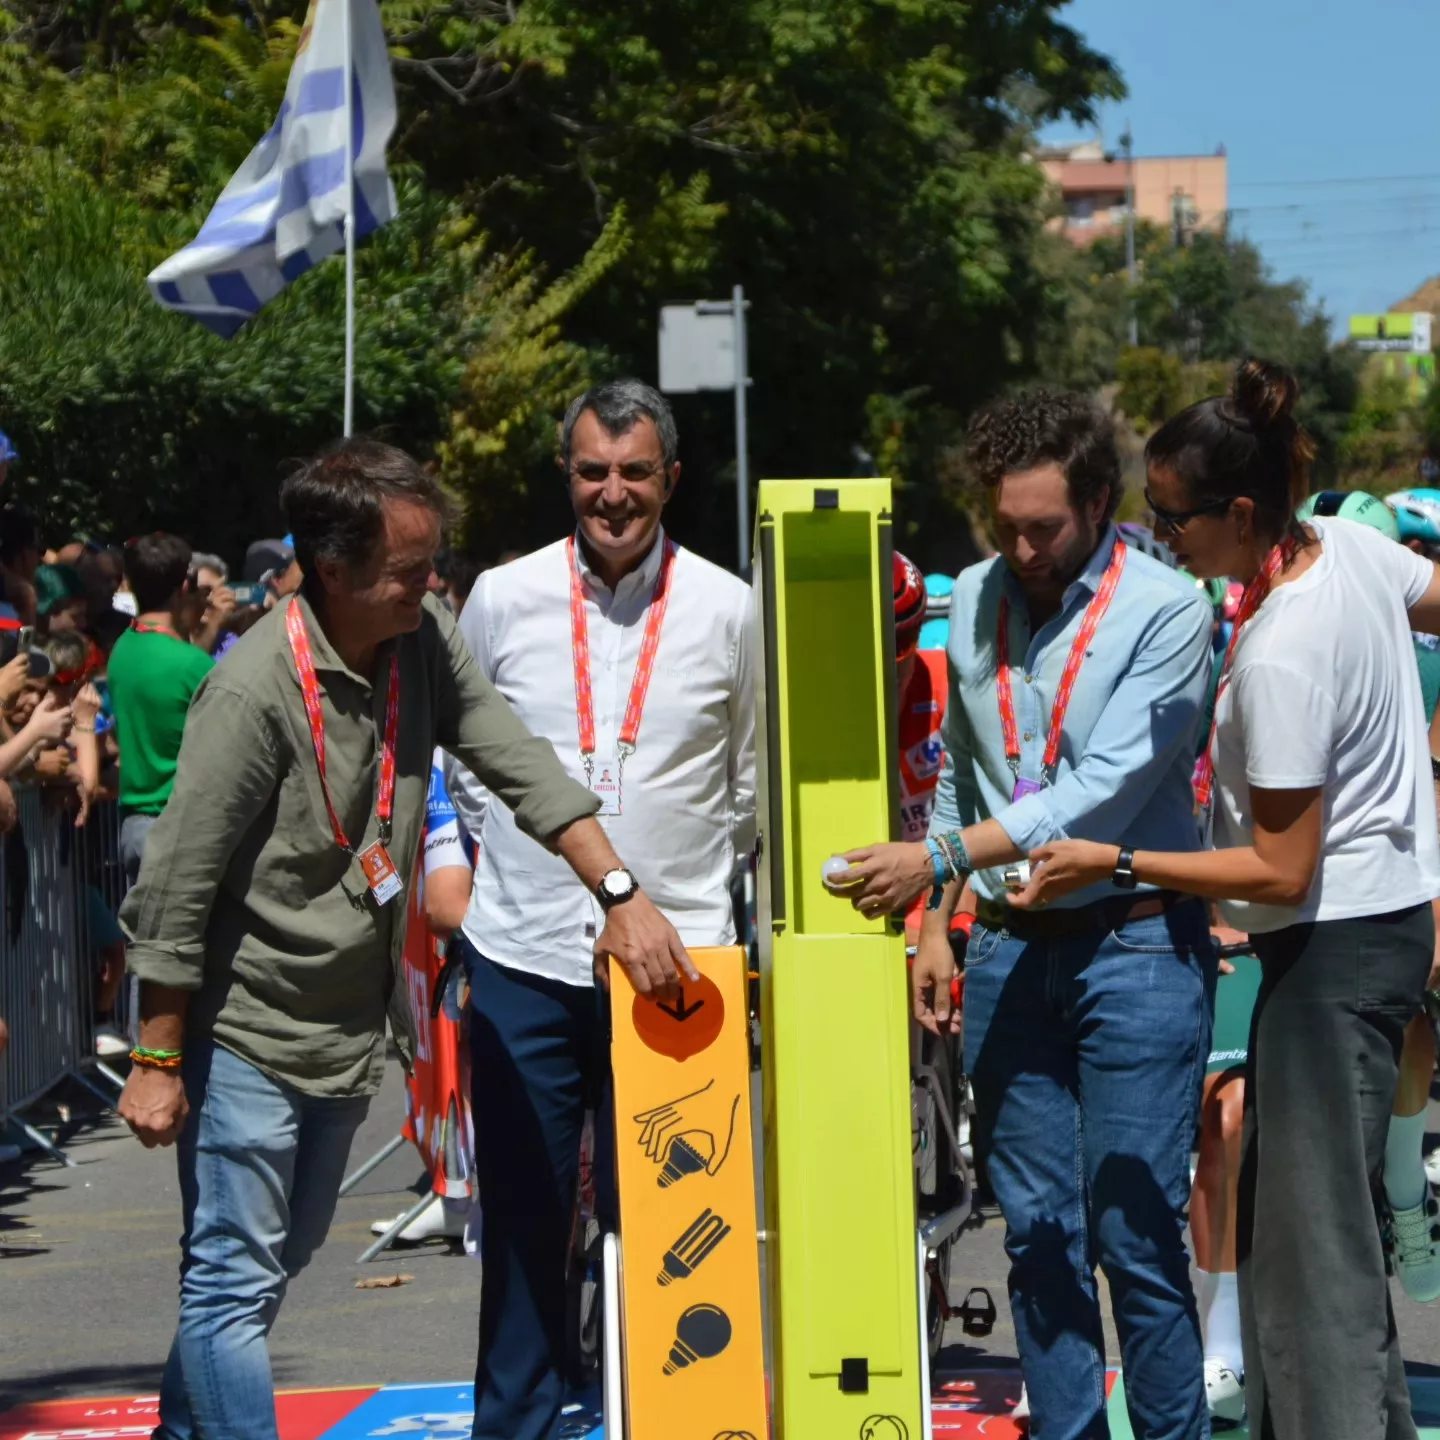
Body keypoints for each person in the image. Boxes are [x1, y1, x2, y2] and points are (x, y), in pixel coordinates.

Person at [118, 438, 695, 1440]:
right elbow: (174, 889)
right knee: (233, 1283)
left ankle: (183, 1427)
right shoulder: (252, 693)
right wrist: (158, 1055)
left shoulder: (421, 634)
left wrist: (617, 889)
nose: (434, 584)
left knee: (270, 1267)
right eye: (412, 569)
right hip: (245, 1031)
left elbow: (515, 758)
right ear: (332, 572)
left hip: (345, 1033)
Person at [1014, 360, 1440, 1440]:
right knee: (1305, 1236)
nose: (1163, 537)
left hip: (1331, 951)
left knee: (1315, 1267)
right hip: (1370, 931)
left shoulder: (1285, 653)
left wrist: (1118, 861)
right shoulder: (1349, 549)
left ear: (1242, 511)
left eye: (1175, 516)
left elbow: (1279, 869)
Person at [831, 389, 1216, 1440]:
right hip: (1006, 949)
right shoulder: (979, 601)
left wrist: (935, 861)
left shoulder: (1170, 611)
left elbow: (1097, 787)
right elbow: (965, 772)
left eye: (1044, 526)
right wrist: (933, 924)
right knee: (1037, 1238)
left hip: (1135, 943)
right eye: (1004, 524)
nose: (1023, 546)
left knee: (1132, 1236)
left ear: (1098, 501)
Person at [452, 379, 755, 1440]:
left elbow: (749, 781)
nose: (612, 495)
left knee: (677, 1220)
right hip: (525, 953)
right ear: (566, 475)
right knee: (528, 1222)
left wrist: (696, 895)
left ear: (670, 478)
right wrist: (485, 875)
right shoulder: (501, 595)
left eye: (634, 473)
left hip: (679, 966)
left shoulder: (728, 605)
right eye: (592, 472)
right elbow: (460, 755)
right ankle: (519, 1427)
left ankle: (664, 1422)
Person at [106, 533, 216, 886]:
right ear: (184, 586)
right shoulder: (194, 665)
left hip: (134, 828)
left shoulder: (122, 649)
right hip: (180, 831)